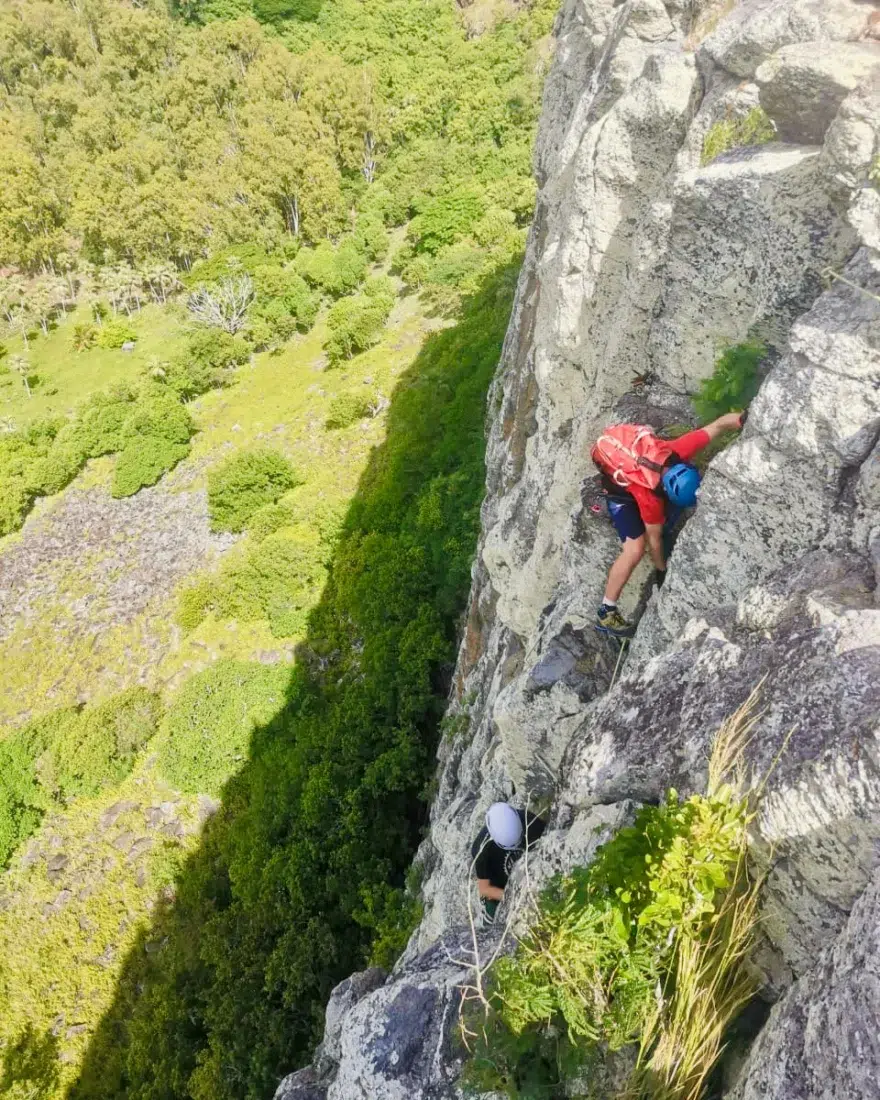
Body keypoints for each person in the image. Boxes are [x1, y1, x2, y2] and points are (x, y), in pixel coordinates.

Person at [591, 411, 745, 638]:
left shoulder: (679, 449)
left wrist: (745, 417)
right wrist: (661, 570)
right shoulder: (649, 497)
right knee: (634, 549)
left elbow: (718, 424)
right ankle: (607, 610)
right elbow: (654, 540)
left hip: (629, 454)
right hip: (621, 494)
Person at [471, 802, 546, 923]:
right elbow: (485, 889)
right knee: (492, 926)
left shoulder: (529, 821)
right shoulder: (481, 849)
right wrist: (514, 897)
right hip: (502, 890)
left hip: (531, 875)